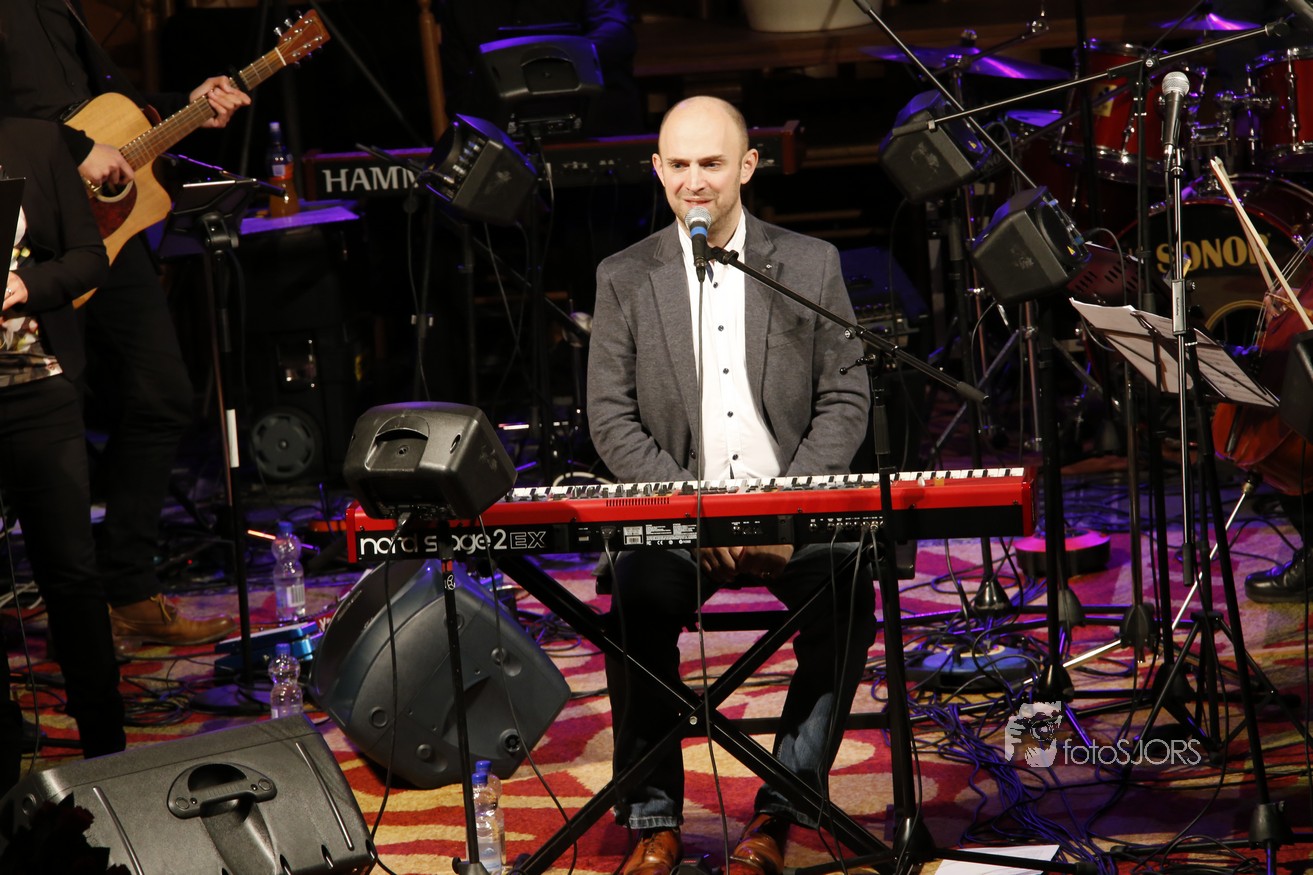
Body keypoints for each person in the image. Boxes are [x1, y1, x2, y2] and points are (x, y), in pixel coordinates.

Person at [587, 95, 878, 875]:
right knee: (635, 597)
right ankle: (653, 818)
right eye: (678, 165)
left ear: (747, 166)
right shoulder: (623, 276)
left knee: (849, 587)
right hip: (680, 518)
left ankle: (782, 806)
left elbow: (845, 397)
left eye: (711, 163)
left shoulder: (809, 264)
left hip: (791, 513)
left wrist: (782, 508)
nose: (694, 181)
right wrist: (698, 513)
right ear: (657, 169)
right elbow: (610, 419)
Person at [0, 0, 249, 645]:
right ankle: (62, 602)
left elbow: (105, 110)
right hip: (29, 228)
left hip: (102, 231)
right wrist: (76, 148)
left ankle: (128, 591)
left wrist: (183, 105)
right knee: (49, 413)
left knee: (163, 396)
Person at [1, 115, 125, 787]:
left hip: (39, 390)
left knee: (71, 574)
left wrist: (26, 285)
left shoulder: (36, 142)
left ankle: (108, 751)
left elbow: (88, 257)